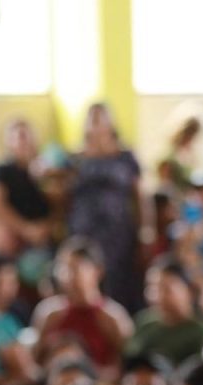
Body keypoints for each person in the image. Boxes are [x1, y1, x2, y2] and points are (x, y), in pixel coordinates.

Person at [66, 102, 145, 313]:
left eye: (100, 118)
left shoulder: (126, 157)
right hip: (84, 231)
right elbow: (64, 196)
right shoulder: (75, 158)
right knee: (85, 277)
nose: (96, 123)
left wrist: (146, 230)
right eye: (92, 118)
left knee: (117, 281)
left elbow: (140, 196)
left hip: (117, 234)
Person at [32, 237, 133, 377]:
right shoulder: (48, 313)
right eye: (63, 268)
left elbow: (124, 368)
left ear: (97, 271)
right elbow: (35, 362)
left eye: (75, 269)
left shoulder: (113, 317)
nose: (68, 276)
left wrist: (83, 372)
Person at [0, 118, 52, 256]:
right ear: (8, 142)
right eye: (20, 136)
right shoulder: (1, 170)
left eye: (28, 135)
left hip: (42, 243)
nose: (25, 141)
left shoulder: (43, 172)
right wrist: (27, 230)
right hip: (12, 244)